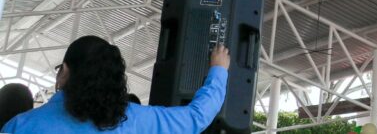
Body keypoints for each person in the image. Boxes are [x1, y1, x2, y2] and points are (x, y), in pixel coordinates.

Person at [2, 36, 229, 133]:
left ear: (65, 71)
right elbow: (196, 117)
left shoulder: (21, 126)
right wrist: (218, 70)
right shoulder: (136, 121)